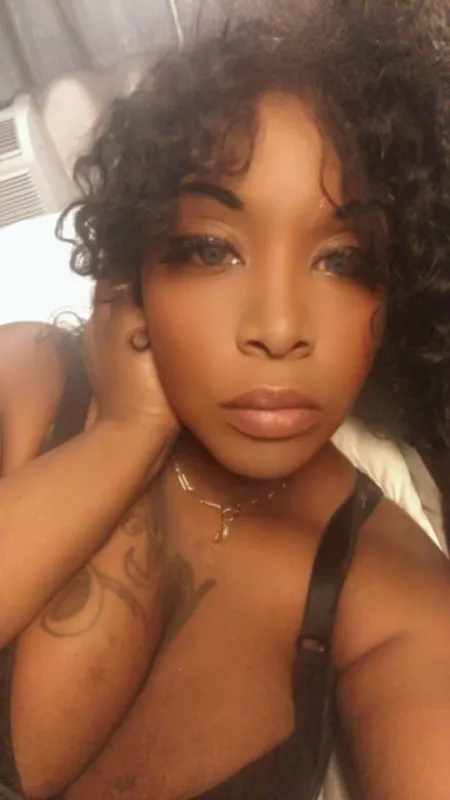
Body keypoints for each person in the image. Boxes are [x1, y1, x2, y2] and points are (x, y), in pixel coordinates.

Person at [1, 1, 450, 798]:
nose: (278, 329)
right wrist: (121, 437)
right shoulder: (27, 377)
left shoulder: (393, 588)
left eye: (343, 260)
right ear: (135, 263)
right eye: (211, 249)